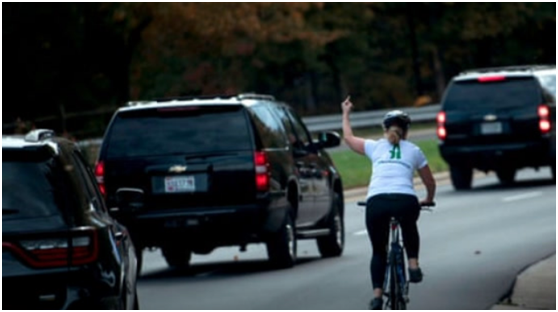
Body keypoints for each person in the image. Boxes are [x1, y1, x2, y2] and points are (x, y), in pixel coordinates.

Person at [341, 96, 436, 310]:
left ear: (385, 129)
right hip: (405, 200)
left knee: (378, 251)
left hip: (377, 202)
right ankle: (413, 264)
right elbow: (429, 181)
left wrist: (346, 113)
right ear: (407, 131)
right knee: (409, 225)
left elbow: (348, 138)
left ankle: (376, 297)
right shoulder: (414, 150)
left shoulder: (374, 147)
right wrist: (428, 199)